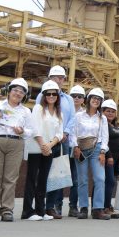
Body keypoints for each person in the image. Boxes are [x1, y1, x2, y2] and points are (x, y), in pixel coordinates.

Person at [0, 78, 34, 222]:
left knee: (10, 179)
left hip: (16, 144)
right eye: (15, 90)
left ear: (24, 96)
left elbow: (31, 131)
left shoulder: (26, 111)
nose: (18, 93)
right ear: (9, 91)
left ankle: (7, 209)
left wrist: (22, 131)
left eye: (21, 92)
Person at [22, 80, 63, 221]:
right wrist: (43, 145)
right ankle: (27, 211)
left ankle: (40, 210)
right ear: (44, 95)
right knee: (31, 179)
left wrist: (49, 146)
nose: (51, 96)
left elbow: (60, 133)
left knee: (43, 180)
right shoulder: (38, 109)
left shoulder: (58, 112)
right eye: (48, 94)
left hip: (48, 149)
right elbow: (35, 128)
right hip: (36, 148)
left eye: (54, 94)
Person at [43, 66, 78, 219]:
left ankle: (52, 207)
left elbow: (72, 119)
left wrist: (65, 133)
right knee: (43, 172)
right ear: (49, 78)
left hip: (62, 140)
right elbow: (38, 114)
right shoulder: (42, 95)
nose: (59, 80)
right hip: (45, 139)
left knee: (57, 173)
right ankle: (39, 205)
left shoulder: (68, 99)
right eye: (56, 77)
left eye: (62, 78)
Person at [70, 88, 110, 220]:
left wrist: (103, 151)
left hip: (96, 149)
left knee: (100, 178)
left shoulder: (102, 118)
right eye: (94, 98)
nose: (95, 100)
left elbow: (105, 136)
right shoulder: (79, 116)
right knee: (82, 180)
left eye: (98, 99)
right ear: (88, 99)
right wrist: (75, 146)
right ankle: (83, 208)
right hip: (80, 148)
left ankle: (97, 209)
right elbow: (73, 133)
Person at [101, 99, 119, 219]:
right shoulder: (102, 125)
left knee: (110, 182)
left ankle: (107, 205)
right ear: (102, 112)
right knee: (107, 181)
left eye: (113, 111)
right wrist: (108, 156)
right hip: (107, 157)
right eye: (107, 111)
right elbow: (104, 141)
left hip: (116, 158)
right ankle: (104, 207)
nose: (110, 113)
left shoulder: (114, 126)